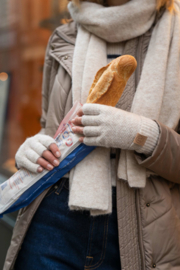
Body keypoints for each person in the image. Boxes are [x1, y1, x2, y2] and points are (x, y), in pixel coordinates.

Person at [3, 0, 180, 269]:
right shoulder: (64, 36)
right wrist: (33, 148)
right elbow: (50, 126)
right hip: (54, 214)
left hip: (142, 221)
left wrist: (142, 134)